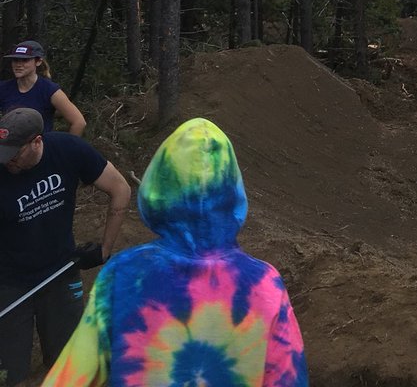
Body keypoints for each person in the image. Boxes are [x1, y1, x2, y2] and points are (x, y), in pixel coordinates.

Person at [43, 117, 309, 387]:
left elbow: (73, 375)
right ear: (232, 193)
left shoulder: (123, 274)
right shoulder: (265, 285)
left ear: (159, 187)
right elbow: (288, 378)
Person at [0, 107, 131, 387]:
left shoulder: (69, 149)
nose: (8, 161)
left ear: (37, 141)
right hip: (10, 283)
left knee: (69, 363)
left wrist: (104, 248)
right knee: (10, 374)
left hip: (60, 272)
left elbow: (120, 188)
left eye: (14, 154)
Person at [0, 40, 86, 136]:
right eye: (15, 60)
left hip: (38, 148)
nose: (18, 65)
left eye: (25, 60)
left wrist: (68, 147)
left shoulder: (50, 90)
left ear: (38, 61)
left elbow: (79, 122)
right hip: (9, 147)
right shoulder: (3, 88)